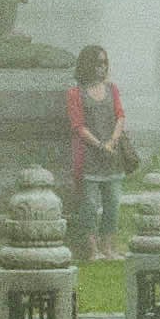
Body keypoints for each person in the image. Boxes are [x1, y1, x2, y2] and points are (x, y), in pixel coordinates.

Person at [62, 44, 133, 261]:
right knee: (89, 206)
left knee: (113, 204)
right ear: (87, 65)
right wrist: (99, 145)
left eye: (104, 63)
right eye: (97, 63)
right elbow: (78, 126)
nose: (101, 68)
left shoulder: (112, 90)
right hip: (89, 158)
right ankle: (92, 250)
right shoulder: (75, 93)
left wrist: (112, 141)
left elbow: (120, 116)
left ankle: (108, 247)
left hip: (112, 158)